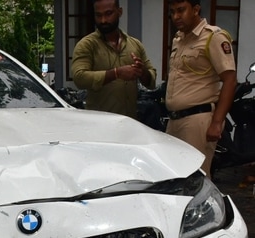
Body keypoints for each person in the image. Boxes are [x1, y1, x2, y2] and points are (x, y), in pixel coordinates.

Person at [166, 0, 237, 178]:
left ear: (196, 9)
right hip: (174, 119)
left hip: (198, 120)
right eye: (172, 12)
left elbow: (229, 80)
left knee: (196, 178)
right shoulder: (178, 39)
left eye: (181, 10)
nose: (176, 16)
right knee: (174, 176)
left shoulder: (213, 37)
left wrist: (217, 122)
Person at [71, 0, 156, 119]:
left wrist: (142, 72)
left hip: (130, 123)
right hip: (99, 124)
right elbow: (79, 77)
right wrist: (116, 73)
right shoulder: (87, 45)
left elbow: (152, 81)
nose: (103, 20)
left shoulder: (134, 44)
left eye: (108, 13)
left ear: (119, 12)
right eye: (98, 15)